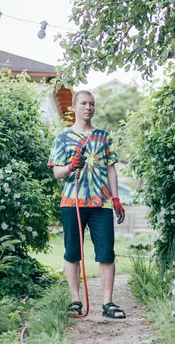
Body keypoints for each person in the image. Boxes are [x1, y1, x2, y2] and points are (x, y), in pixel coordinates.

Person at [47, 90, 127, 319]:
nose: (88, 107)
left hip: (100, 203)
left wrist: (116, 199)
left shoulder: (103, 136)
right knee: (72, 253)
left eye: (92, 104)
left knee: (106, 253)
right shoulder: (63, 138)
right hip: (72, 203)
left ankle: (108, 303)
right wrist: (70, 166)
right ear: (74, 107)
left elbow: (111, 168)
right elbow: (57, 173)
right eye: (83, 103)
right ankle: (75, 300)